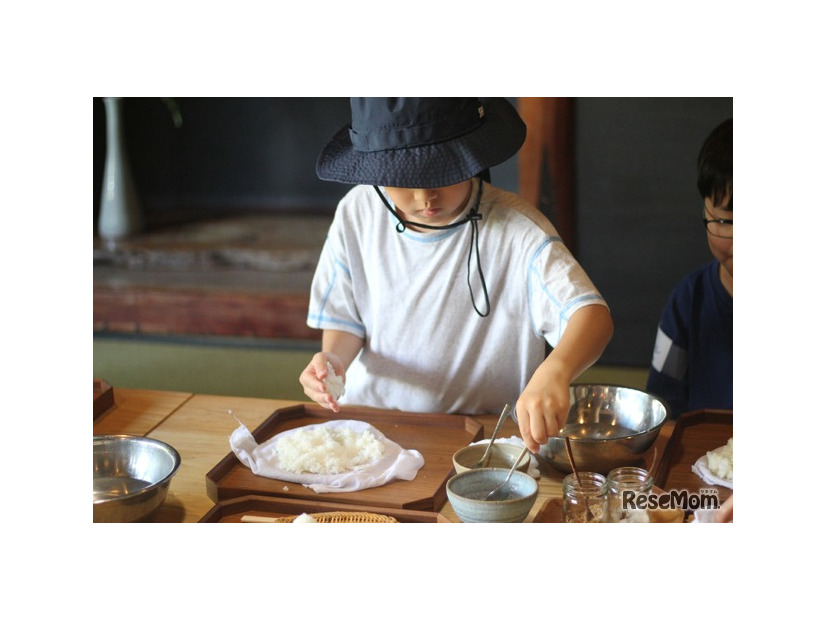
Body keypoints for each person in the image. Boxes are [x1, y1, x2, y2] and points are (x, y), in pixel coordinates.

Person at [299, 98, 614, 453]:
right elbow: (346, 321)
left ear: (469, 155)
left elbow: (591, 315)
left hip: (485, 436)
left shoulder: (518, 231)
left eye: (439, 175)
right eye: (402, 181)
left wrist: (556, 370)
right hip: (374, 428)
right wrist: (334, 362)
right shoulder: (357, 214)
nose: (425, 197)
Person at [646, 118, 733, 417]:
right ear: (706, 211)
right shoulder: (689, 300)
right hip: (708, 460)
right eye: (726, 222)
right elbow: (662, 408)